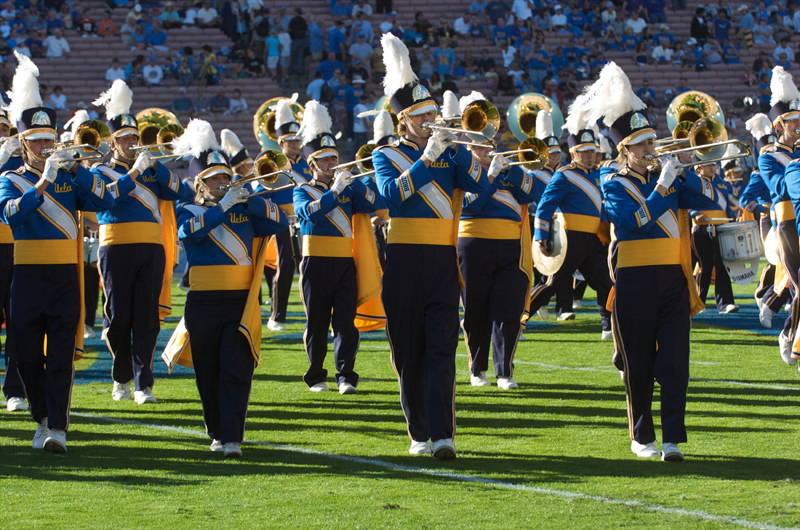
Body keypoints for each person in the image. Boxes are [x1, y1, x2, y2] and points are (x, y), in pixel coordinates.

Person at [373, 34, 491, 459]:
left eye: (432, 115)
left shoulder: (450, 150)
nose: (429, 122)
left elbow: (481, 185)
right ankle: (418, 433)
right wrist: (426, 159)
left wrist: (460, 148)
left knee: (441, 346)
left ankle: (443, 435)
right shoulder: (386, 155)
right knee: (408, 350)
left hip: (442, 260)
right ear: (404, 121)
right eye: (421, 117)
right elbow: (390, 197)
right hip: (403, 261)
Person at [595, 62, 717, 462]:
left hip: (673, 278)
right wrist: (664, 184)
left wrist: (690, 167)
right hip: (634, 277)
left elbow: (709, 201)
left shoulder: (671, 176)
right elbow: (632, 223)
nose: (652, 149)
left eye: (653, 142)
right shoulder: (612, 181)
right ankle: (642, 435)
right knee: (640, 361)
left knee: (676, 362)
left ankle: (672, 440)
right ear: (624, 149)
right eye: (643, 144)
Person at [0, 52, 116, 452]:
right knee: (29, 357)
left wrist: (76, 169)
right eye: (37, 142)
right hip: (28, 278)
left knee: (62, 357)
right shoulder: (11, 179)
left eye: (49, 140)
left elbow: (103, 200)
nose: (45, 147)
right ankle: (41, 418)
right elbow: (12, 215)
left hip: (67, 278)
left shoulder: (71, 174)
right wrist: (44, 182)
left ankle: (58, 428)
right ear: (22, 143)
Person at [173, 120, 287, 458]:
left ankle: (233, 437)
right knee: (208, 371)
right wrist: (223, 207)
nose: (222, 183)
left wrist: (247, 197)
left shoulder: (244, 206)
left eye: (225, 177)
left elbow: (279, 220)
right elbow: (189, 233)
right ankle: (217, 432)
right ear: (200, 184)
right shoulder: (188, 209)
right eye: (214, 180)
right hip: (203, 301)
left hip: (240, 300)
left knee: (237, 368)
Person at [90, 80, 192, 404]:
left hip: (151, 248)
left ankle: (142, 383)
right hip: (115, 247)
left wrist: (156, 165)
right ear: (113, 142)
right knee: (118, 317)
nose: (132, 142)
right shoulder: (101, 169)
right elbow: (107, 199)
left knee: (147, 317)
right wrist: (134, 171)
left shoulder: (150, 168)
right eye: (125, 138)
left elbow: (181, 192)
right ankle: (121, 376)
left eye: (134, 137)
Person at [292, 101, 382, 393]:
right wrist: (335, 191)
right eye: (326, 160)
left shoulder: (346, 188)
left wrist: (354, 184)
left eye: (335, 158)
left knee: (346, 323)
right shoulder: (301, 190)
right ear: (312, 165)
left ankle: (346, 376)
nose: (333, 164)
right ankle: (316, 375)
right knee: (317, 322)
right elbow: (310, 214)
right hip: (315, 261)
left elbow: (377, 204)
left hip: (345, 262)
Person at [455, 92, 538, 390]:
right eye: (478, 142)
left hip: (510, 248)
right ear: (467, 145)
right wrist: (489, 177)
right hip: (473, 245)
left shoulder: (507, 169)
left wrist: (513, 170)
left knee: (509, 309)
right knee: (476, 310)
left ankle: (505, 371)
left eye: (488, 142)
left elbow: (534, 193)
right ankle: (477, 369)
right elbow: (471, 206)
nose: (485, 147)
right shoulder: (461, 169)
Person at [529, 106, 612, 338]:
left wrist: (606, 235)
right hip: (570, 238)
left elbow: (601, 209)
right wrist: (541, 237)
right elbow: (545, 205)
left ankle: (607, 326)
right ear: (574, 153)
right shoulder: (564, 174)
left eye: (592, 151)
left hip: (594, 239)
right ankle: (520, 318)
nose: (590, 155)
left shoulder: (597, 176)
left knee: (605, 282)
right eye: (584, 151)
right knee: (552, 284)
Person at [760, 67, 800, 365]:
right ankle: (787, 333)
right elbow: (779, 187)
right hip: (786, 223)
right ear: (779, 125)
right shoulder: (768, 155)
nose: (798, 124)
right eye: (792, 121)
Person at [689, 158, 739, 313]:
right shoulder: (693, 183)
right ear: (698, 167)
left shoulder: (723, 184)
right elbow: (685, 204)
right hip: (701, 228)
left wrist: (734, 213)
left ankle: (725, 303)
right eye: (708, 164)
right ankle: (699, 302)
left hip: (721, 227)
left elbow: (729, 206)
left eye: (713, 164)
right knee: (705, 265)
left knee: (722, 265)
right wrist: (695, 214)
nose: (712, 167)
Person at [0, 108, 25, 412]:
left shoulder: (20, 158)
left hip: (19, 248)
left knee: (18, 323)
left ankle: (14, 390)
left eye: (4, 128)